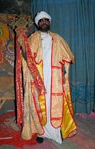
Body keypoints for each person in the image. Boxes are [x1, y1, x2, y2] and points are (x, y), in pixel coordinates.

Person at [17, 11, 77, 144]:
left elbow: (67, 57)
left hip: (54, 79)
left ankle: (57, 131)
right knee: (38, 105)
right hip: (37, 80)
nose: (44, 22)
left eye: (46, 20)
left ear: (49, 22)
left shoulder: (58, 38)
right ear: (38, 24)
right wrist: (21, 44)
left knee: (55, 104)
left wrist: (64, 74)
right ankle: (40, 131)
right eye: (41, 20)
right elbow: (26, 59)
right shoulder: (32, 39)